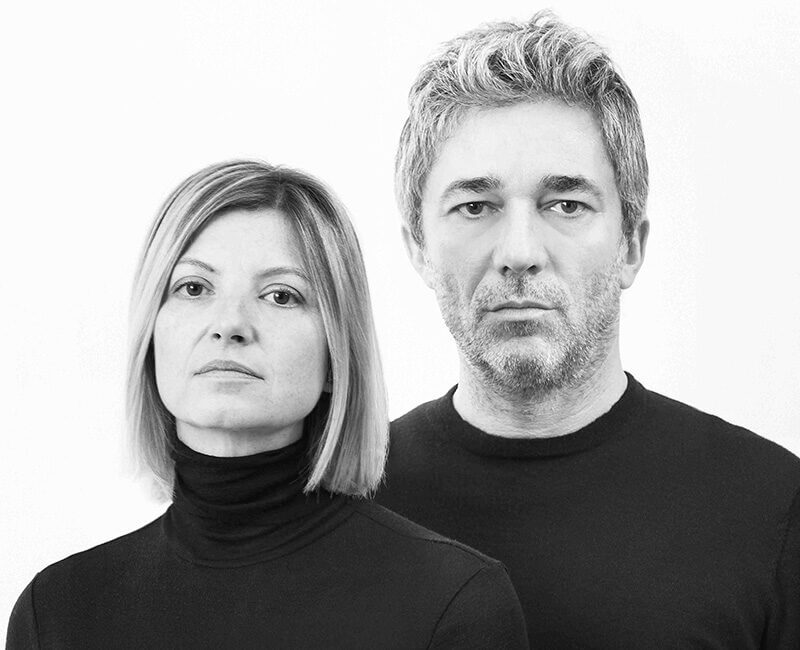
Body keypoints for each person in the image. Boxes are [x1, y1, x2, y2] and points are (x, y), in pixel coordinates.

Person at [376, 11, 800, 648]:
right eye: (475, 206)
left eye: (566, 204)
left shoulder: (771, 508)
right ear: (418, 248)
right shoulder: (345, 501)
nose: (520, 251)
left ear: (631, 245)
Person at [6, 160, 528, 649]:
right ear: (151, 333)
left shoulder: (451, 601)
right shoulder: (57, 611)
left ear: (337, 354)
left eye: (280, 295)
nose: (229, 324)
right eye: (193, 287)